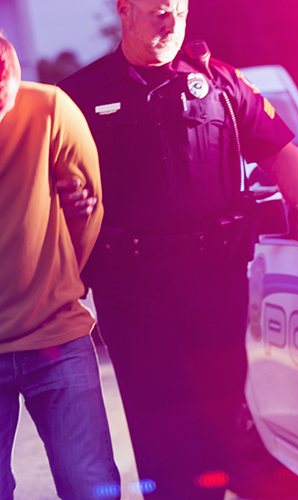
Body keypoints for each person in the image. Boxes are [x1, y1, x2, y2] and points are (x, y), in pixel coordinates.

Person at [58, 1, 298, 499]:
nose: (171, 24)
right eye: (158, 12)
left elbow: (280, 152)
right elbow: (49, 181)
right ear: (125, 10)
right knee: (163, 434)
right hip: (133, 290)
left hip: (217, 282)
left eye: (179, 13)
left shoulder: (220, 83)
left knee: (232, 423)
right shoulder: (78, 95)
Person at [0, 35, 120, 500]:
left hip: (56, 338)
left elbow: (87, 212)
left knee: (89, 484)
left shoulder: (51, 109)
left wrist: (54, 280)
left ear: (12, 69)